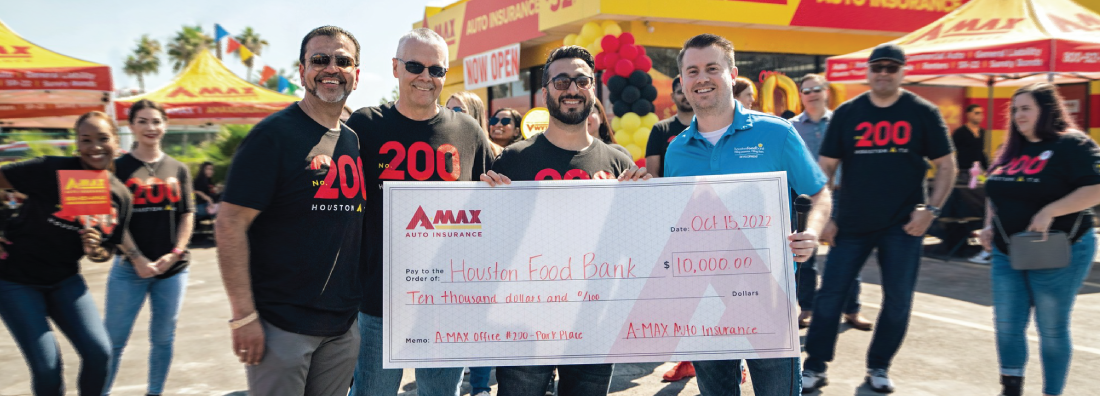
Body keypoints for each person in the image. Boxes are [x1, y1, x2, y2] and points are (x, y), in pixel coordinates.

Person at [665, 33, 832, 396]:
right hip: (704, 303)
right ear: (682, 81)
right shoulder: (676, 151)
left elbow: (820, 194)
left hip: (768, 298)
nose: (701, 78)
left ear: (732, 72)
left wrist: (813, 235)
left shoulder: (776, 133)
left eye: (712, 68)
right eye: (692, 71)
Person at [480, 44, 649, 396]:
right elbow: (490, 245)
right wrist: (483, 206)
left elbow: (636, 244)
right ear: (545, 92)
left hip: (595, 324)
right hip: (524, 326)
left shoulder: (618, 161)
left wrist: (647, 202)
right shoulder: (512, 160)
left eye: (581, 80)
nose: (571, 89)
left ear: (592, 89)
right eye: (561, 81)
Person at [346, 27, 497, 396]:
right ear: (396, 68)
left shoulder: (468, 131)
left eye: (437, 70)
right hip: (379, 301)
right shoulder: (364, 126)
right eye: (415, 66)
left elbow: (496, 204)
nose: (426, 77)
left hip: (447, 300)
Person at [215, 25, 365, 395]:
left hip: (341, 329)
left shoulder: (352, 141)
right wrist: (243, 316)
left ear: (356, 75)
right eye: (320, 59)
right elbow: (229, 223)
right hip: (281, 328)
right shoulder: (273, 136)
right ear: (302, 71)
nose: (332, 67)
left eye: (343, 61)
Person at [801, 43, 957, 394]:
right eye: (878, 67)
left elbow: (946, 165)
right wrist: (825, 216)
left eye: (891, 67)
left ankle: (879, 366)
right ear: (868, 72)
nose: (884, 72)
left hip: (903, 226)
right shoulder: (848, 113)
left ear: (902, 72)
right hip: (851, 224)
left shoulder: (923, 112)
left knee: (898, 299)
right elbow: (825, 168)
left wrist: (930, 211)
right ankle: (814, 365)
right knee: (830, 296)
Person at [977, 83, 1100, 396]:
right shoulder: (1010, 150)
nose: (1018, 115)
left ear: (1047, 109)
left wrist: (1051, 211)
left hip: (1060, 249)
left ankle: (1052, 392)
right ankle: (1011, 388)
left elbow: (1095, 188)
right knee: (1006, 324)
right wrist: (989, 226)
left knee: (1051, 327)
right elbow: (996, 192)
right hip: (1008, 250)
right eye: (1015, 109)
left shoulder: (1073, 144)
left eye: (1026, 108)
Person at [0, 111, 132, 396]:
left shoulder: (120, 196)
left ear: (116, 141)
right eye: (86, 140)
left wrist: (95, 249)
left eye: (102, 138)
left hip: (64, 280)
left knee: (100, 353)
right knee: (48, 367)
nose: (94, 146)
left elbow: (106, 252)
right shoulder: (50, 169)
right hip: (15, 280)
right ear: (77, 143)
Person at [103, 99, 195, 396]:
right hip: (129, 270)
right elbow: (112, 218)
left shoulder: (178, 168)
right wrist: (137, 258)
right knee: (113, 341)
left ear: (165, 125)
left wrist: (175, 253)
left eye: (156, 121)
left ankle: (154, 392)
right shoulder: (116, 168)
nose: (150, 127)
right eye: (142, 121)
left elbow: (187, 214)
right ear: (131, 126)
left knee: (163, 339)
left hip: (173, 271)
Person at [788, 74, 871, 331]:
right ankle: (807, 308)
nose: (811, 93)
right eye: (806, 90)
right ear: (800, 95)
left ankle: (852, 309)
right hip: (803, 199)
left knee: (846, 254)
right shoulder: (790, 127)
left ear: (826, 92)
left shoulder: (843, 122)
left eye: (816, 89)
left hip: (842, 196)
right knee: (805, 256)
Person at [644, 75, 693, 178]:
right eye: (680, 92)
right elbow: (652, 174)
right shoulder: (660, 129)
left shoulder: (708, 127)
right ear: (672, 97)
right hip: (670, 193)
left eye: (689, 91)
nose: (686, 96)